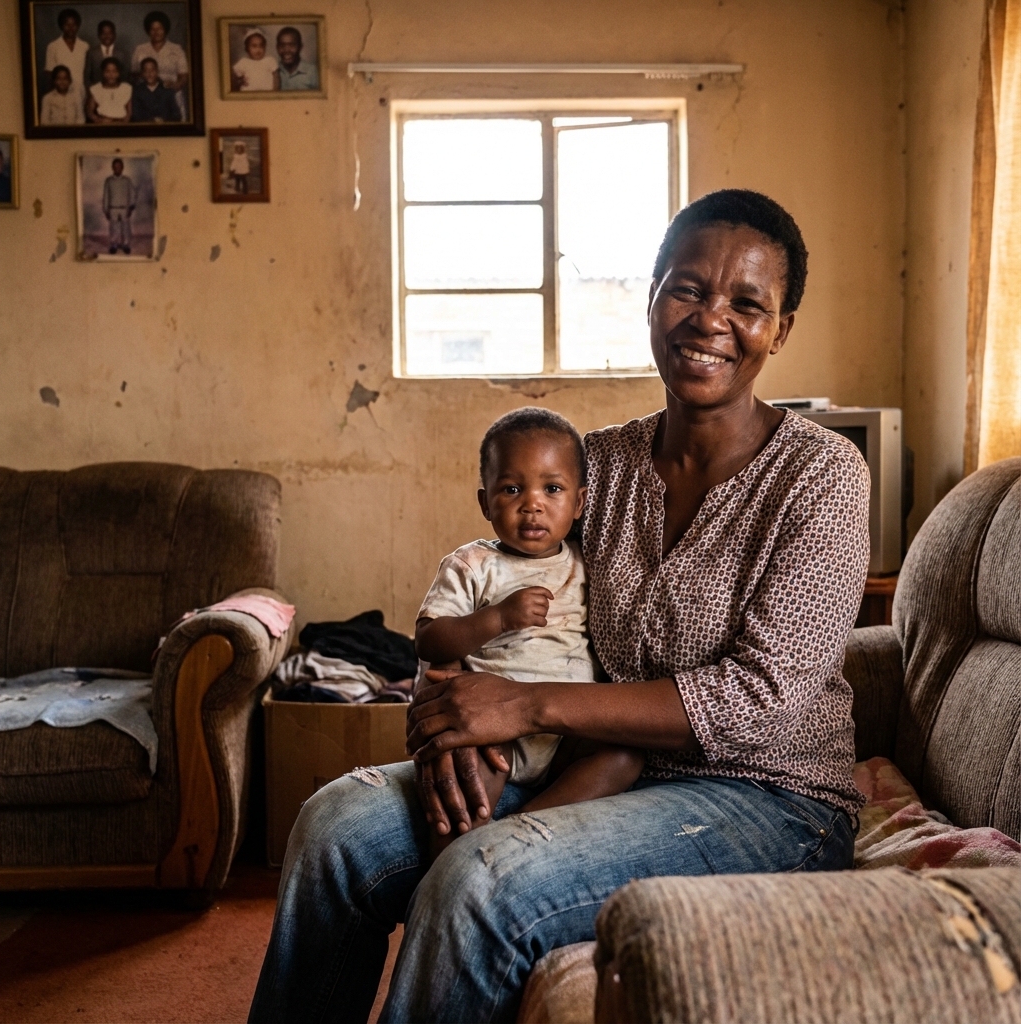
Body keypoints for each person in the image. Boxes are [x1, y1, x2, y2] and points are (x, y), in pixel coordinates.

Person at [248, 189, 872, 1024]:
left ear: (780, 329)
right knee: (335, 828)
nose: (710, 319)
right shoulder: (599, 466)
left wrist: (525, 704)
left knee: (481, 881)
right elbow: (496, 595)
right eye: (688, 289)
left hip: (766, 799)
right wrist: (451, 721)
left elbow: (760, 699)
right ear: (652, 296)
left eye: (747, 304)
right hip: (588, 765)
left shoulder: (822, 476)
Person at [415, 408, 644, 859]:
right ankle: (447, 869)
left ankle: (518, 833)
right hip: (491, 730)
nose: (532, 504)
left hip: (564, 729)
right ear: (485, 503)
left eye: (552, 489)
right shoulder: (472, 565)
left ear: (579, 504)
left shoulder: (586, 563)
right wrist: (496, 619)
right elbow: (430, 638)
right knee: (461, 794)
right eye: (512, 489)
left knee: (623, 757)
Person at [131, 12, 188, 118]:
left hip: (172, 95)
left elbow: (183, 76)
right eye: (153, 29)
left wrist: (174, 87)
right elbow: (134, 75)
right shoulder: (140, 49)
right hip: (147, 98)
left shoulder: (176, 49)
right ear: (148, 31)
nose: (156, 32)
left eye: (160, 28)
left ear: (165, 29)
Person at [43, 8, 87, 122]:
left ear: (78, 26)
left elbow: (88, 72)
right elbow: (49, 72)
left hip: (80, 91)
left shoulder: (84, 46)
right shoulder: (53, 46)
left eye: (74, 25)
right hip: (60, 92)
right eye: (67, 25)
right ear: (61, 26)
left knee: (79, 121)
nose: (71, 28)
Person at [102, 158, 136, 255]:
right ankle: (114, 245)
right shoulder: (109, 181)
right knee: (114, 228)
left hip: (124, 208)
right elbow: (106, 196)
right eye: (115, 167)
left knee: (125, 228)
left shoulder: (127, 180)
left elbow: (132, 193)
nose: (117, 168)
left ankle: (126, 245)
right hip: (113, 208)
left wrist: (131, 207)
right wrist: (106, 210)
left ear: (122, 167)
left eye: (119, 166)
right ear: (112, 168)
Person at [130, 57, 179, 122]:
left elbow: (177, 115)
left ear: (157, 72)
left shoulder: (167, 90)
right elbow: (135, 115)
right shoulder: (137, 91)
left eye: (152, 70)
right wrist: (151, 121)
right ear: (142, 73)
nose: (149, 73)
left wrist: (163, 121)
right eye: (146, 71)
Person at [231, 27, 279, 91]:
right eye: (254, 46)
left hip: (267, 93)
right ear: (247, 49)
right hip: (248, 94)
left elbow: (276, 78)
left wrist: (275, 91)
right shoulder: (243, 62)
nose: (258, 50)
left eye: (261, 46)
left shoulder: (270, 60)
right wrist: (239, 81)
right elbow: (233, 77)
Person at [86, 58, 131, 124]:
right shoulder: (96, 89)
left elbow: (129, 112)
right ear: (102, 72)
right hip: (103, 123)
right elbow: (90, 112)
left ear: (119, 73)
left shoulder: (126, 88)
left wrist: (123, 122)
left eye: (114, 71)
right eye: (107, 71)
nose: (111, 75)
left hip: (121, 124)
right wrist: (98, 120)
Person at [276, 26, 319, 91]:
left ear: (300, 47)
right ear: (277, 47)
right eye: (282, 45)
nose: (286, 50)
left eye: (292, 45)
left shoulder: (313, 72)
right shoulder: (272, 71)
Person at [85, 19, 126, 86]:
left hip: (117, 89)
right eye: (103, 33)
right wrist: (91, 89)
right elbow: (87, 75)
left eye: (110, 33)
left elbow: (125, 75)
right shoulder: (92, 53)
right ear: (99, 35)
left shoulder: (122, 53)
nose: (107, 36)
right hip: (96, 89)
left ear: (114, 35)